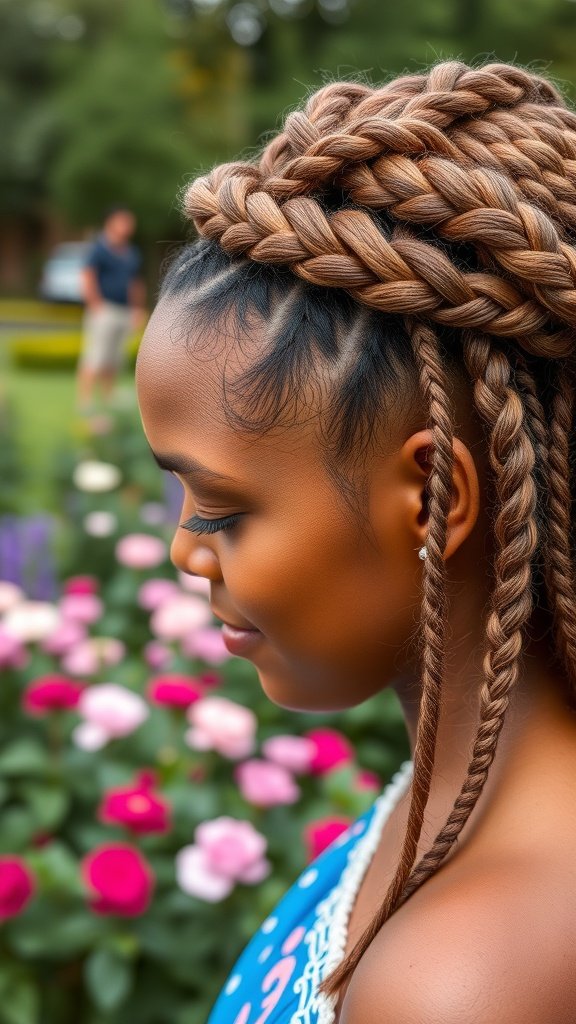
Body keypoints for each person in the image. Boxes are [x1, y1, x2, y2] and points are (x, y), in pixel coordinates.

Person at [135, 60, 576, 1023]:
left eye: (219, 509)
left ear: (428, 501)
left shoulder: (472, 982)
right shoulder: (463, 795)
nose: (183, 551)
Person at [77, 205, 147, 411]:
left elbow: (135, 282)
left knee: (114, 360)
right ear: (110, 222)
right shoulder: (98, 248)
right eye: (123, 221)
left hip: (124, 312)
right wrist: (95, 305)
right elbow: (87, 276)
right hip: (104, 309)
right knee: (95, 357)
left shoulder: (131, 252)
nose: (127, 226)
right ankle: (85, 402)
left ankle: (108, 399)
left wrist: (137, 309)